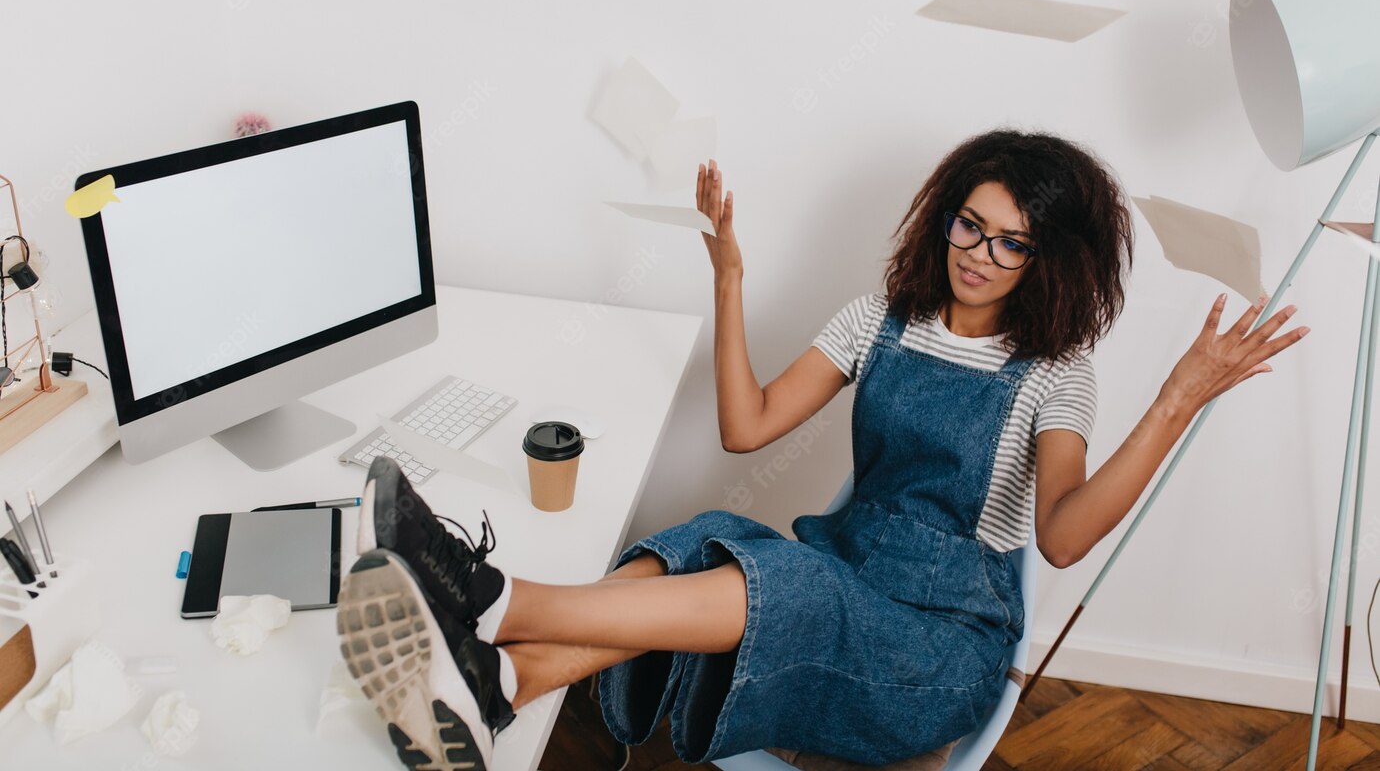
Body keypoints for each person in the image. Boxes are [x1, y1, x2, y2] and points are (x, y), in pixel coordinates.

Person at [334, 130, 1309, 771]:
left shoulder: (1057, 373)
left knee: (787, 584)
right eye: (972, 223)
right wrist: (729, 275)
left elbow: (1059, 536)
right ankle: (505, 686)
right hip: (845, 573)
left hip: (935, 647)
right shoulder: (881, 316)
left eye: (1012, 242)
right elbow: (746, 427)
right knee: (703, 532)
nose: (980, 251)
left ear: (1047, 260)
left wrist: (1180, 394)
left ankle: (499, 600)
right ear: (946, 216)